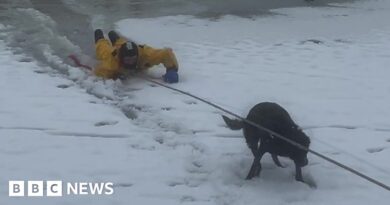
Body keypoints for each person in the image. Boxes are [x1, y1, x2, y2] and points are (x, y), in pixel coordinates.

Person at [94, 29, 179, 83]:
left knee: (122, 42)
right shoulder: (112, 61)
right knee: (102, 48)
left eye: (133, 59)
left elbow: (166, 53)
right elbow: (100, 72)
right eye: (127, 60)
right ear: (122, 58)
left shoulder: (146, 54)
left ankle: (113, 36)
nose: (131, 62)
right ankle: (99, 35)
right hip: (113, 52)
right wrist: (115, 75)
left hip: (124, 46)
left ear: (138, 56)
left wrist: (171, 69)